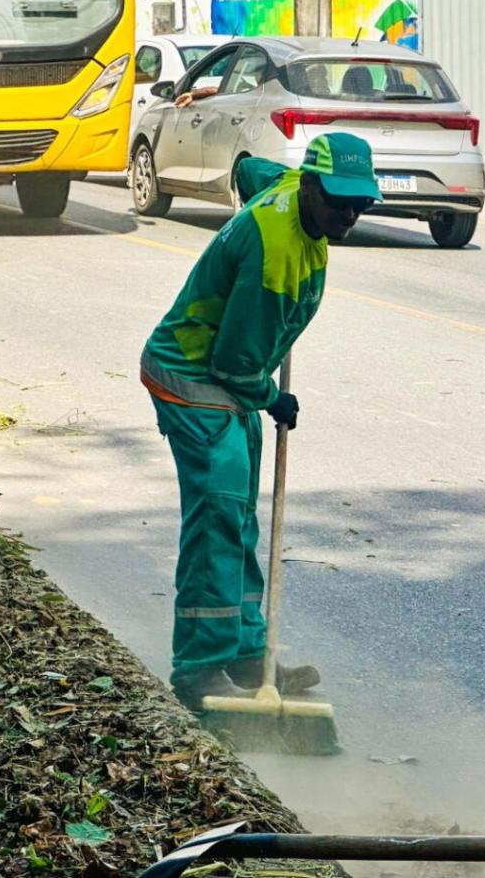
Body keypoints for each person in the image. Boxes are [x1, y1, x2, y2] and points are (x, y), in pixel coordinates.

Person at [140, 133, 383, 711]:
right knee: (218, 517)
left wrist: (247, 174)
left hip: (225, 384)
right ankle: (199, 667)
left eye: (361, 203)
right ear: (312, 185)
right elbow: (236, 360)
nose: (350, 214)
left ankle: (248, 653)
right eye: (339, 201)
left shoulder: (285, 184)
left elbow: (249, 168)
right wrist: (272, 397)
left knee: (241, 516)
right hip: (195, 378)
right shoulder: (276, 256)